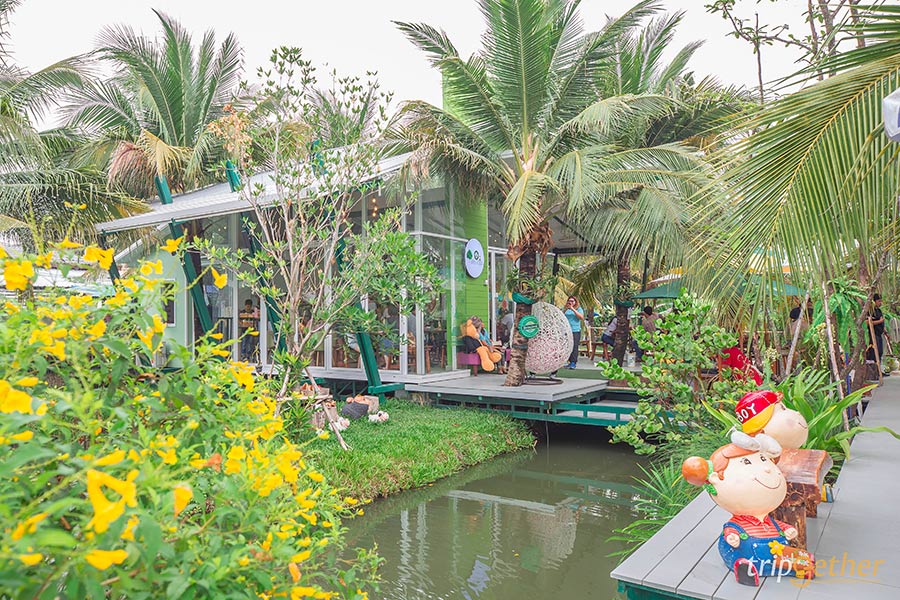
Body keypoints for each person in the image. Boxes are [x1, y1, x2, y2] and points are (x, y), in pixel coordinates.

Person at [564, 296, 585, 369]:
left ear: (575, 302)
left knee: (574, 346)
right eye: (569, 301)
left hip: (575, 330)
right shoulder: (566, 309)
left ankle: (573, 362)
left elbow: (581, 317)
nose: (570, 302)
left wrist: (572, 308)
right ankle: (569, 361)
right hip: (566, 330)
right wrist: (566, 308)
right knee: (567, 346)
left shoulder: (579, 309)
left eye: (572, 301)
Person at [868, 293, 886, 367]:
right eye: (879, 301)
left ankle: (879, 368)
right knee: (874, 351)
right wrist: (879, 321)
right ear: (874, 301)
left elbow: (882, 321)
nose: (880, 303)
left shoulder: (879, 310)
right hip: (873, 334)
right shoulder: (870, 311)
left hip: (879, 334)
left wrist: (885, 331)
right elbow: (867, 322)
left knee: (880, 352)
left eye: (881, 301)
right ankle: (873, 368)